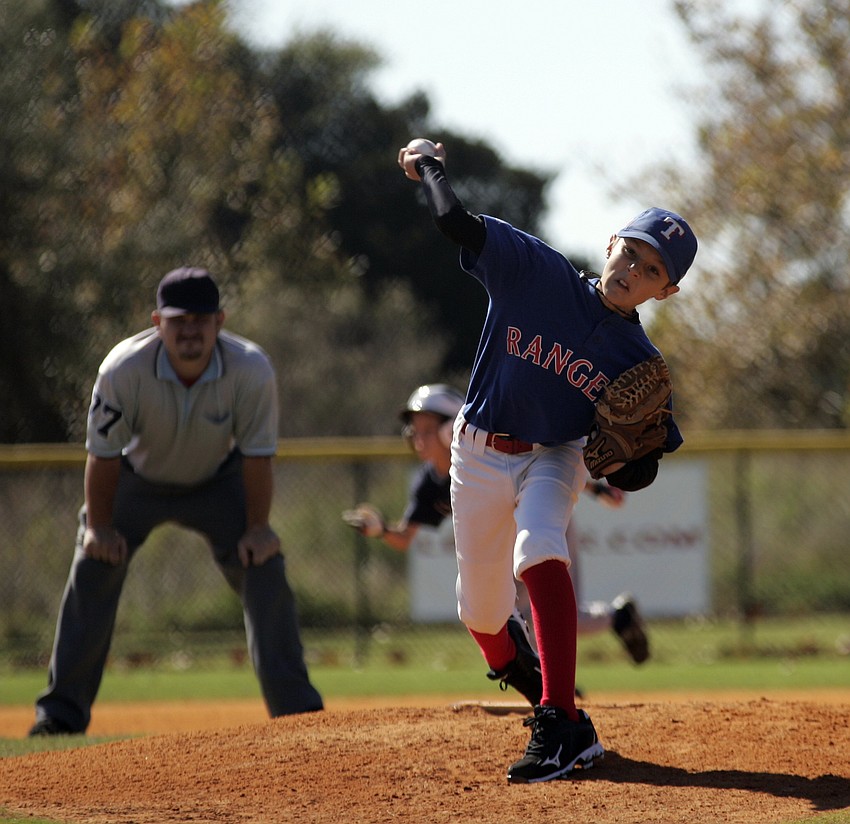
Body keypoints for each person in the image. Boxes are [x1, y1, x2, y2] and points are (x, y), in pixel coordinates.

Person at [397, 140, 697, 783]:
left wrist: (626, 461)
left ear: (666, 290)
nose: (633, 269)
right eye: (632, 251)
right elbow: (456, 223)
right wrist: (429, 165)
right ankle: (554, 706)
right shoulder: (537, 271)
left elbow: (639, 471)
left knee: (538, 547)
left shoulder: (639, 363)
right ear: (612, 241)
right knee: (480, 615)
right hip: (476, 450)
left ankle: (561, 722)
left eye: (652, 269)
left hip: (555, 456)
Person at [29, 267, 323, 736]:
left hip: (218, 482)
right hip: (134, 481)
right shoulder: (122, 368)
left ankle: (298, 716)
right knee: (93, 566)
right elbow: (103, 456)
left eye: (200, 320)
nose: (190, 330)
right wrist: (99, 528)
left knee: (264, 566)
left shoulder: (251, 369)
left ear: (220, 321)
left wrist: (258, 528)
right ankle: (59, 717)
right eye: (178, 320)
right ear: (157, 322)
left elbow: (256, 456)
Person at [344, 383, 649, 667]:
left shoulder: (487, 452)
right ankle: (609, 625)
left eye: (427, 430)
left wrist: (596, 489)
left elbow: (538, 468)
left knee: (556, 614)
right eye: (414, 430)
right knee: (506, 614)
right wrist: (380, 529)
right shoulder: (429, 481)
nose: (418, 438)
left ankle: (600, 636)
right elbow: (404, 537)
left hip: (542, 523)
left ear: (451, 429)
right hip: (505, 540)